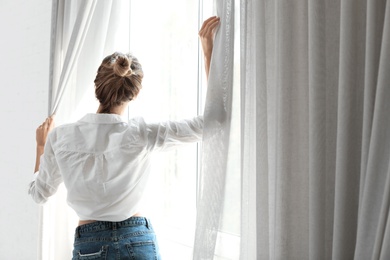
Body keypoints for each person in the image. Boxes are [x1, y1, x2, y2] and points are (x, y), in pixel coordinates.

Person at [29, 16, 220, 259]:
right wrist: (208, 54)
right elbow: (211, 125)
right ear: (136, 92)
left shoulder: (61, 137)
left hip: (91, 246)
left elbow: (39, 194)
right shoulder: (141, 133)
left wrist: (41, 145)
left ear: (97, 84)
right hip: (138, 240)